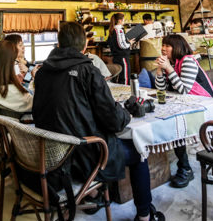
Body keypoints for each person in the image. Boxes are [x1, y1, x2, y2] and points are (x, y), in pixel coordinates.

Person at [33, 22, 165, 221]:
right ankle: (144, 216)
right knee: (139, 152)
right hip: (85, 153)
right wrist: (127, 113)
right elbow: (114, 121)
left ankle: (93, 194)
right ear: (84, 45)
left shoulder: (42, 72)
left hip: (52, 153)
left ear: (59, 44)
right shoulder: (88, 71)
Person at [154, 34, 213, 188]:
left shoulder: (188, 61)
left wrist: (169, 68)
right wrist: (160, 70)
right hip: (186, 102)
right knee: (164, 116)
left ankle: (185, 168)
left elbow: (183, 90)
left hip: (205, 103)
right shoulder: (172, 63)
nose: (163, 49)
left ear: (177, 47)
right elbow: (161, 89)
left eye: (167, 46)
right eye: (163, 45)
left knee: (175, 121)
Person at [107, 12, 134, 84]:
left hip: (116, 56)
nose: (124, 21)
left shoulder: (112, 30)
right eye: (123, 19)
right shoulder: (119, 30)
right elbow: (121, 45)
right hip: (122, 57)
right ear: (119, 20)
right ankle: (126, 90)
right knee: (125, 77)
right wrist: (129, 43)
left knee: (119, 76)